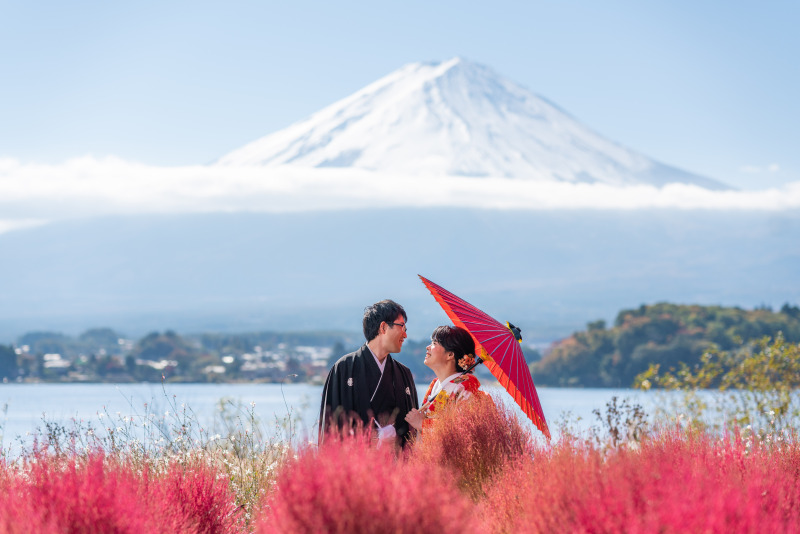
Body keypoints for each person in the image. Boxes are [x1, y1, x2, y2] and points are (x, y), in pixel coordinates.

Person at [319, 299, 419, 447]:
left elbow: (412, 431)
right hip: (355, 464)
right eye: (402, 327)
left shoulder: (404, 374)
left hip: (395, 465)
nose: (405, 335)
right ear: (383, 327)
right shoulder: (344, 369)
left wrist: (394, 435)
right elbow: (330, 427)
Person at [404, 325, 484, 432]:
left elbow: (463, 431)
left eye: (434, 343)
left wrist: (422, 424)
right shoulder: (436, 384)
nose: (428, 347)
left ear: (450, 354)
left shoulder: (466, 389)